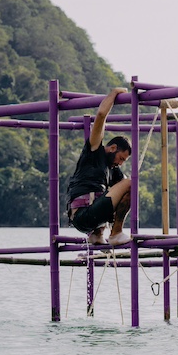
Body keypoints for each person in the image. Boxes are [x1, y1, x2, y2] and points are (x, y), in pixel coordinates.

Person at [65, 87, 133, 246]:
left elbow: (124, 195)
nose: (120, 163)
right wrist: (115, 93)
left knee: (129, 185)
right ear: (113, 148)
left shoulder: (113, 170)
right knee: (131, 183)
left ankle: (97, 235)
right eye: (121, 158)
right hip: (83, 215)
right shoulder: (94, 151)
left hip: (91, 218)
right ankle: (116, 233)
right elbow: (101, 116)